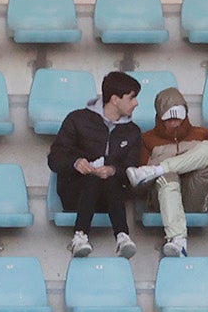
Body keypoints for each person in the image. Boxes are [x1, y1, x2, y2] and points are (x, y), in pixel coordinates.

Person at [126, 87, 208, 259]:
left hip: (196, 197)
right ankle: (178, 240)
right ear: (160, 118)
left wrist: (187, 163)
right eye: (169, 119)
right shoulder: (147, 139)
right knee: (169, 176)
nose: (174, 123)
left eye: (178, 119)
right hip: (161, 200)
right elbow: (139, 187)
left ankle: (159, 169)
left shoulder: (202, 134)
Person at [47, 71, 143, 259]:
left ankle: (114, 237)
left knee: (108, 178)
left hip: (110, 197)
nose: (136, 103)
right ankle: (89, 235)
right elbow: (55, 158)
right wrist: (76, 163)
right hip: (75, 192)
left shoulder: (132, 131)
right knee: (93, 179)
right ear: (115, 99)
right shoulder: (77, 119)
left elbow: (132, 167)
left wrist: (113, 170)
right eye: (131, 98)